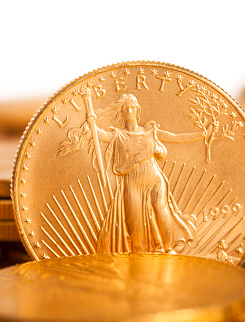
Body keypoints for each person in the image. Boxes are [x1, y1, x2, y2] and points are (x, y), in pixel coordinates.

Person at [59, 94, 213, 253]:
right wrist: (91, 123)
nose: (129, 111)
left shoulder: (149, 131)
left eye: (132, 107)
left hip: (154, 177)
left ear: (137, 110)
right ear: (121, 113)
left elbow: (175, 138)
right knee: (133, 219)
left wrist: (201, 135)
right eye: (125, 108)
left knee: (161, 211)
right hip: (132, 180)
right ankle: (139, 252)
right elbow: (100, 135)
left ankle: (168, 248)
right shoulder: (117, 134)